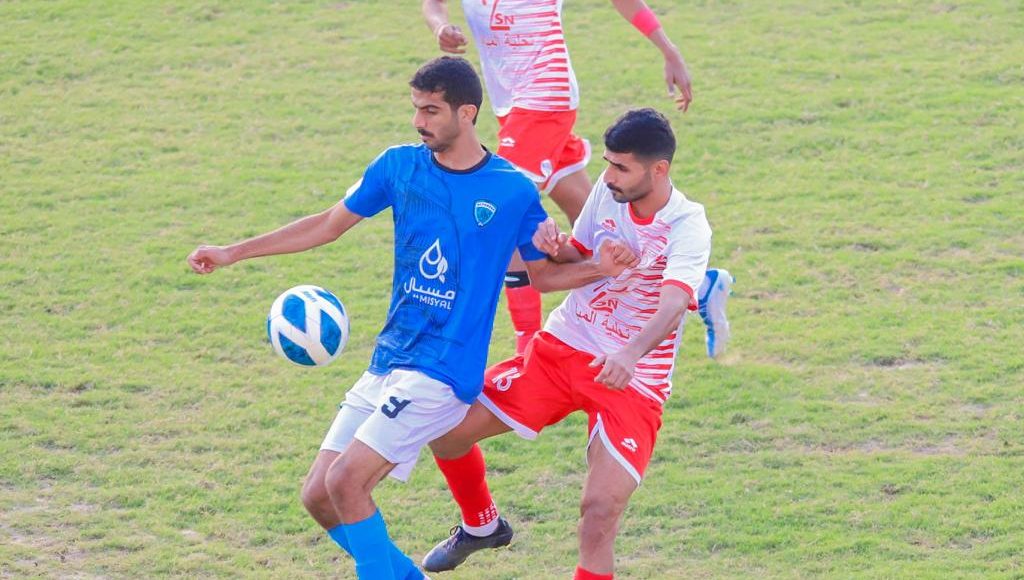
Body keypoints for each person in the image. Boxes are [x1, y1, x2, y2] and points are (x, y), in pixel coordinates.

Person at [187, 56, 638, 580]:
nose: (418, 121)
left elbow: (541, 274)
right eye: (416, 109)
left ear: (466, 113)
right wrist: (233, 252)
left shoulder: (512, 189)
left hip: (443, 370)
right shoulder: (398, 167)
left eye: (431, 111)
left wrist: (596, 268)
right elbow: (328, 225)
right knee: (318, 496)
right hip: (391, 357)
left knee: (346, 483)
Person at [421, 109, 710, 579]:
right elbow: (577, 253)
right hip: (563, 348)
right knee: (446, 430)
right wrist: (556, 247)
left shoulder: (687, 224)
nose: (608, 176)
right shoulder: (608, 192)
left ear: (659, 170)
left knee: (599, 511)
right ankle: (481, 525)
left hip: (633, 379)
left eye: (621, 167)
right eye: (608, 163)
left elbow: (675, 302)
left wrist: (630, 354)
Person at [421, 0, 732, 359]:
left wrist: (669, 49)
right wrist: (439, 26)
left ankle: (527, 348)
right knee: (595, 224)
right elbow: (433, 3)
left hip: (545, 99)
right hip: (511, 105)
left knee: (501, 215)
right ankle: (701, 285)